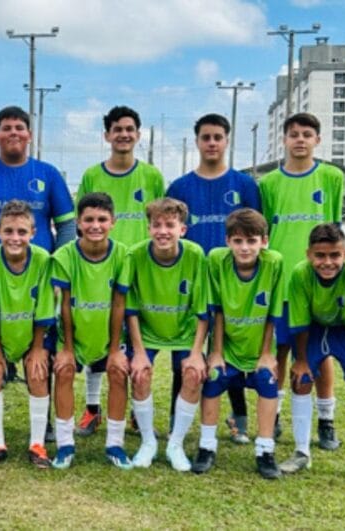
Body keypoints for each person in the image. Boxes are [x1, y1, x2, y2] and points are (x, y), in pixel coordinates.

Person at [0, 105, 76, 442]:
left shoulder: (49, 174)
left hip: (38, 282)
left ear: (30, 134)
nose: (13, 133)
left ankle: (45, 421)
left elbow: (67, 228)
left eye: (20, 127)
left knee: (42, 350)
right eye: (6, 128)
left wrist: (58, 274)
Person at [168, 113, 262, 444]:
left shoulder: (245, 185)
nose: (211, 143)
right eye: (205, 137)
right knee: (184, 352)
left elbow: (257, 233)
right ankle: (174, 420)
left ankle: (239, 421)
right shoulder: (179, 187)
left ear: (226, 141)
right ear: (197, 141)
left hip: (232, 281)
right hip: (190, 281)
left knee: (230, 351)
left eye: (217, 137)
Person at [74, 105, 165, 437]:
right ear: (107, 135)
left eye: (130, 129)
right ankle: (92, 409)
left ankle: (133, 413)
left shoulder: (152, 176)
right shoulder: (91, 176)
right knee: (100, 339)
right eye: (117, 129)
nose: (124, 134)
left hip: (139, 270)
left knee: (134, 343)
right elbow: (81, 224)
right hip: (100, 268)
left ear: (138, 135)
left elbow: (161, 222)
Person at [259, 112, 343, 447]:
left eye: (307, 134)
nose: (300, 140)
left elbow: (334, 229)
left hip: (318, 283)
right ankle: (274, 414)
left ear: (317, 140)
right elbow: (264, 234)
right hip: (281, 284)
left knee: (319, 355)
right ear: (284, 139)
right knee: (278, 352)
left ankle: (326, 420)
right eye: (294, 134)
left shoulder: (332, 177)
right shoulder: (268, 184)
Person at [279, 223, 345, 483]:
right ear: (308, 254)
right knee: (300, 380)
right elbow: (299, 320)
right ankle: (301, 452)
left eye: (335, 255)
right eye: (320, 256)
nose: (328, 262)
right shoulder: (300, 274)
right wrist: (301, 360)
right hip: (313, 329)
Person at [192, 208, 282, 479]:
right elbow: (217, 309)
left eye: (252, 241)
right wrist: (216, 352)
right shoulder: (217, 260)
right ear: (228, 241)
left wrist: (266, 353)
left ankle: (265, 450)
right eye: (238, 241)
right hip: (228, 347)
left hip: (258, 349)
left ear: (264, 242)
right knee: (214, 378)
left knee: (268, 382)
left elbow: (272, 314)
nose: (245, 248)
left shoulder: (274, 262)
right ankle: (207, 446)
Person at [125, 198, 208, 472]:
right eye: (156, 225)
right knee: (139, 373)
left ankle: (176, 444)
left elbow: (202, 309)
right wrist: (137, 352)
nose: (163, 231)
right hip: (148, 331)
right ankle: (148, 442)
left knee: (194, 374)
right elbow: (131, 308)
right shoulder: (135, 256)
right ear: (148, 228)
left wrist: (196, 354)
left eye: (169, 225)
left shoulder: (195, 255)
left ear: (182, 229)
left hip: (183, 331)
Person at [50, 193, 132, 470]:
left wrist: (113, 350)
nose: (95, 225)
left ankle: (115, 444)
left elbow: (119, 303)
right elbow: (64, 305)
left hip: (108, 334)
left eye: (102, 219)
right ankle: (64, 445)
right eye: (89, 220)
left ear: (113, 222)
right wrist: (68, 349)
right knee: (63, 371)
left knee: (119, 372)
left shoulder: (122, 254)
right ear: (79, 223)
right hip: (73, 332)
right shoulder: (64, 255)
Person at [0, 200, 55, 468]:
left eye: (22, 232)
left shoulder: (43, 259)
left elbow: (44, 306)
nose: (15, 238)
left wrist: (37, 348)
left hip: (34, 333)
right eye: (8, 231)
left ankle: (37, 444)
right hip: (0, 332)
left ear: (33, 233)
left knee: (37, 371)